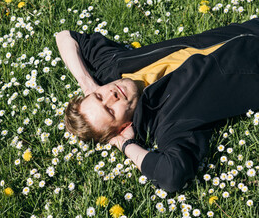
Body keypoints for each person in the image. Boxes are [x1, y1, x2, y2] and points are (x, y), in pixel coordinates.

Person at [56, 19, 259, 192]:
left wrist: (87, 83)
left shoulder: (113, 67)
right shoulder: (169, 122)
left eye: (99, 97)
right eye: (109, 110)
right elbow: (171, 175)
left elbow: (65, 36)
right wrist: (124, 144)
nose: (111, 95)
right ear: (124, 127)